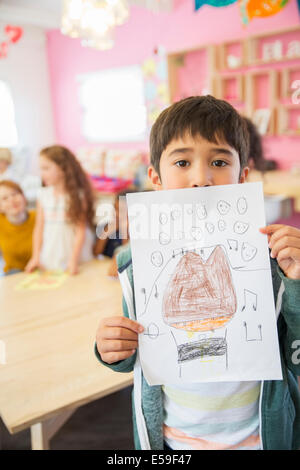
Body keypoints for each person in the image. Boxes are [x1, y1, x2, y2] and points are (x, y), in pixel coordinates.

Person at [95, 96, 300, 450]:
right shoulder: (136, 263)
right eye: (183, 161)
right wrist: (112, 349)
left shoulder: (272, 259)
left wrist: (296, 282)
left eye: (219, 161)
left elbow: (294, 349)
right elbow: (137, 347)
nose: (201, 179)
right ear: (156, 179)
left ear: (242, 177)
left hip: (259, 437)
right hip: (174, 439)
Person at [25, 145, 95, 275]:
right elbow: (39, 228)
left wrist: (73, 260)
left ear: (63, 169)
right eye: (41, 169)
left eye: (46, 168)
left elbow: (80, 231)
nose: (42, 173)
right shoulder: (43, 195)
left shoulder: (78, 196)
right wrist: (35, 256)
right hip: (52, 249)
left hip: (73, 252)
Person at [94, 189, 135, 278]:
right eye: (115, 208)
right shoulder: (108, 226)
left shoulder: (136, 231)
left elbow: (126, 256)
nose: (116, 213)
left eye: (121, 210)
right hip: (106, 273)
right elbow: (96, 252)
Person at [0, 180, 36, 274]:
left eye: (15, 194)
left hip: (40, 269)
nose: (12, 200)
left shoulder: (38, 217)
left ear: (23, 196)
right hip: (13, 272)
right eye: (5, 198)